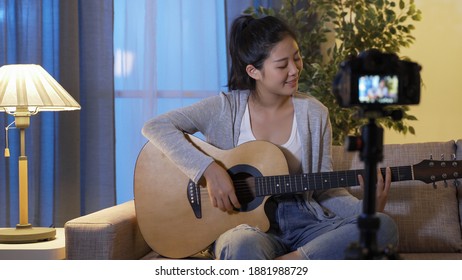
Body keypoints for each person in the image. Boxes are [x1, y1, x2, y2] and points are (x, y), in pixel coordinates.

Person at [142, 15, 398, 260]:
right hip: (244, 227)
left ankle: (287, 263)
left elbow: (324, 188)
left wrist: (365, 209)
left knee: (382, 227)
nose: (294, 70)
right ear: (254, 71)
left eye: (297, 59)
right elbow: (156, 127)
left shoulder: (315, 114)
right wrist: (208, 170)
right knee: (240, 245)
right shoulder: (224, 109)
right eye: (282, 65)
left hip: (306, 224)